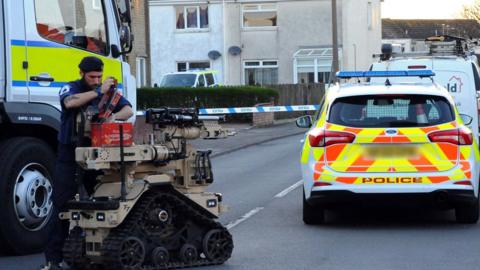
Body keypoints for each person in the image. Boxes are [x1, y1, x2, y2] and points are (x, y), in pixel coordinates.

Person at [40, 56, 133, 270]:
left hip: (97, 154)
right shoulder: (72, 88)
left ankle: (89, 249)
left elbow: (127, 109)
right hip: (70, 154)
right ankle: (53, 260)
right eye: (92, 77)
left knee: (97, 201)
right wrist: (98, 92)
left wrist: (113, 117)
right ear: (82, 73)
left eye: (99, 77)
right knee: (61, 205)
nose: (97, 80)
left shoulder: (108, 92)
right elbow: (70, 102)